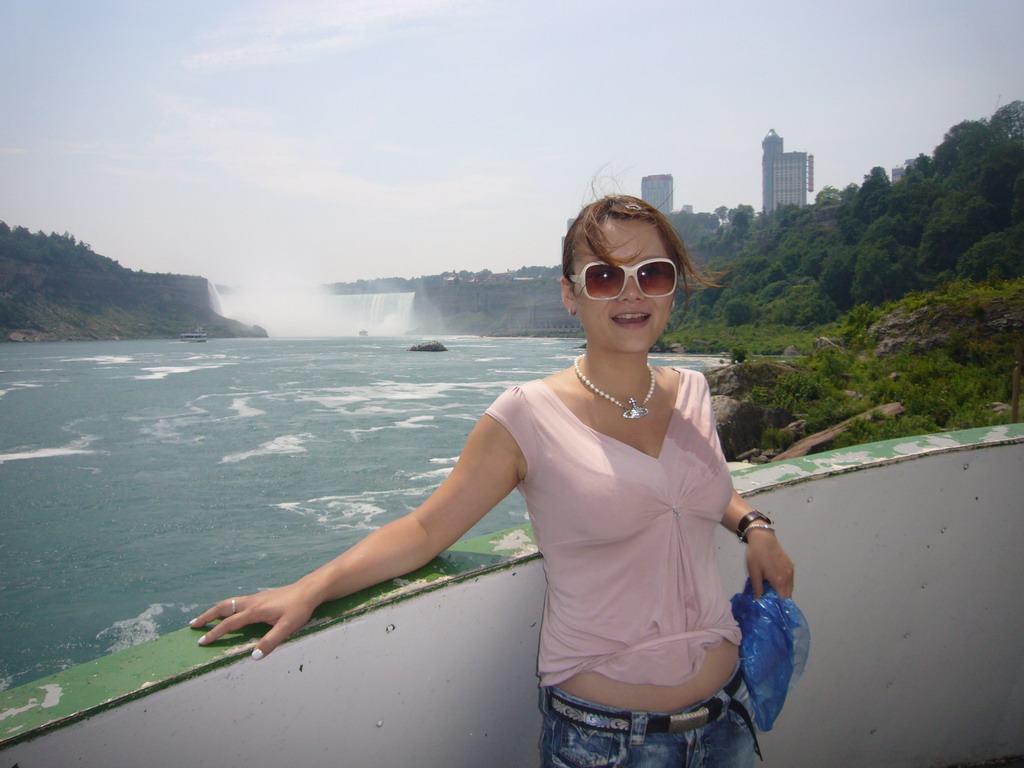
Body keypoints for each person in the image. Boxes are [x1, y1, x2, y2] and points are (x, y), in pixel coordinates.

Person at [190, 194, 795, 767]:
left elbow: (688, 483)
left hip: (727, 719)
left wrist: (752, 523)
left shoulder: (693, 390)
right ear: (569, 294)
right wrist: (310, 588)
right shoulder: (526, 416)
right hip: (607, 739)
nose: (631, 293)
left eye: (653, 274)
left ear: (671, 288)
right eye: (605, 276)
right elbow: (426, 529)